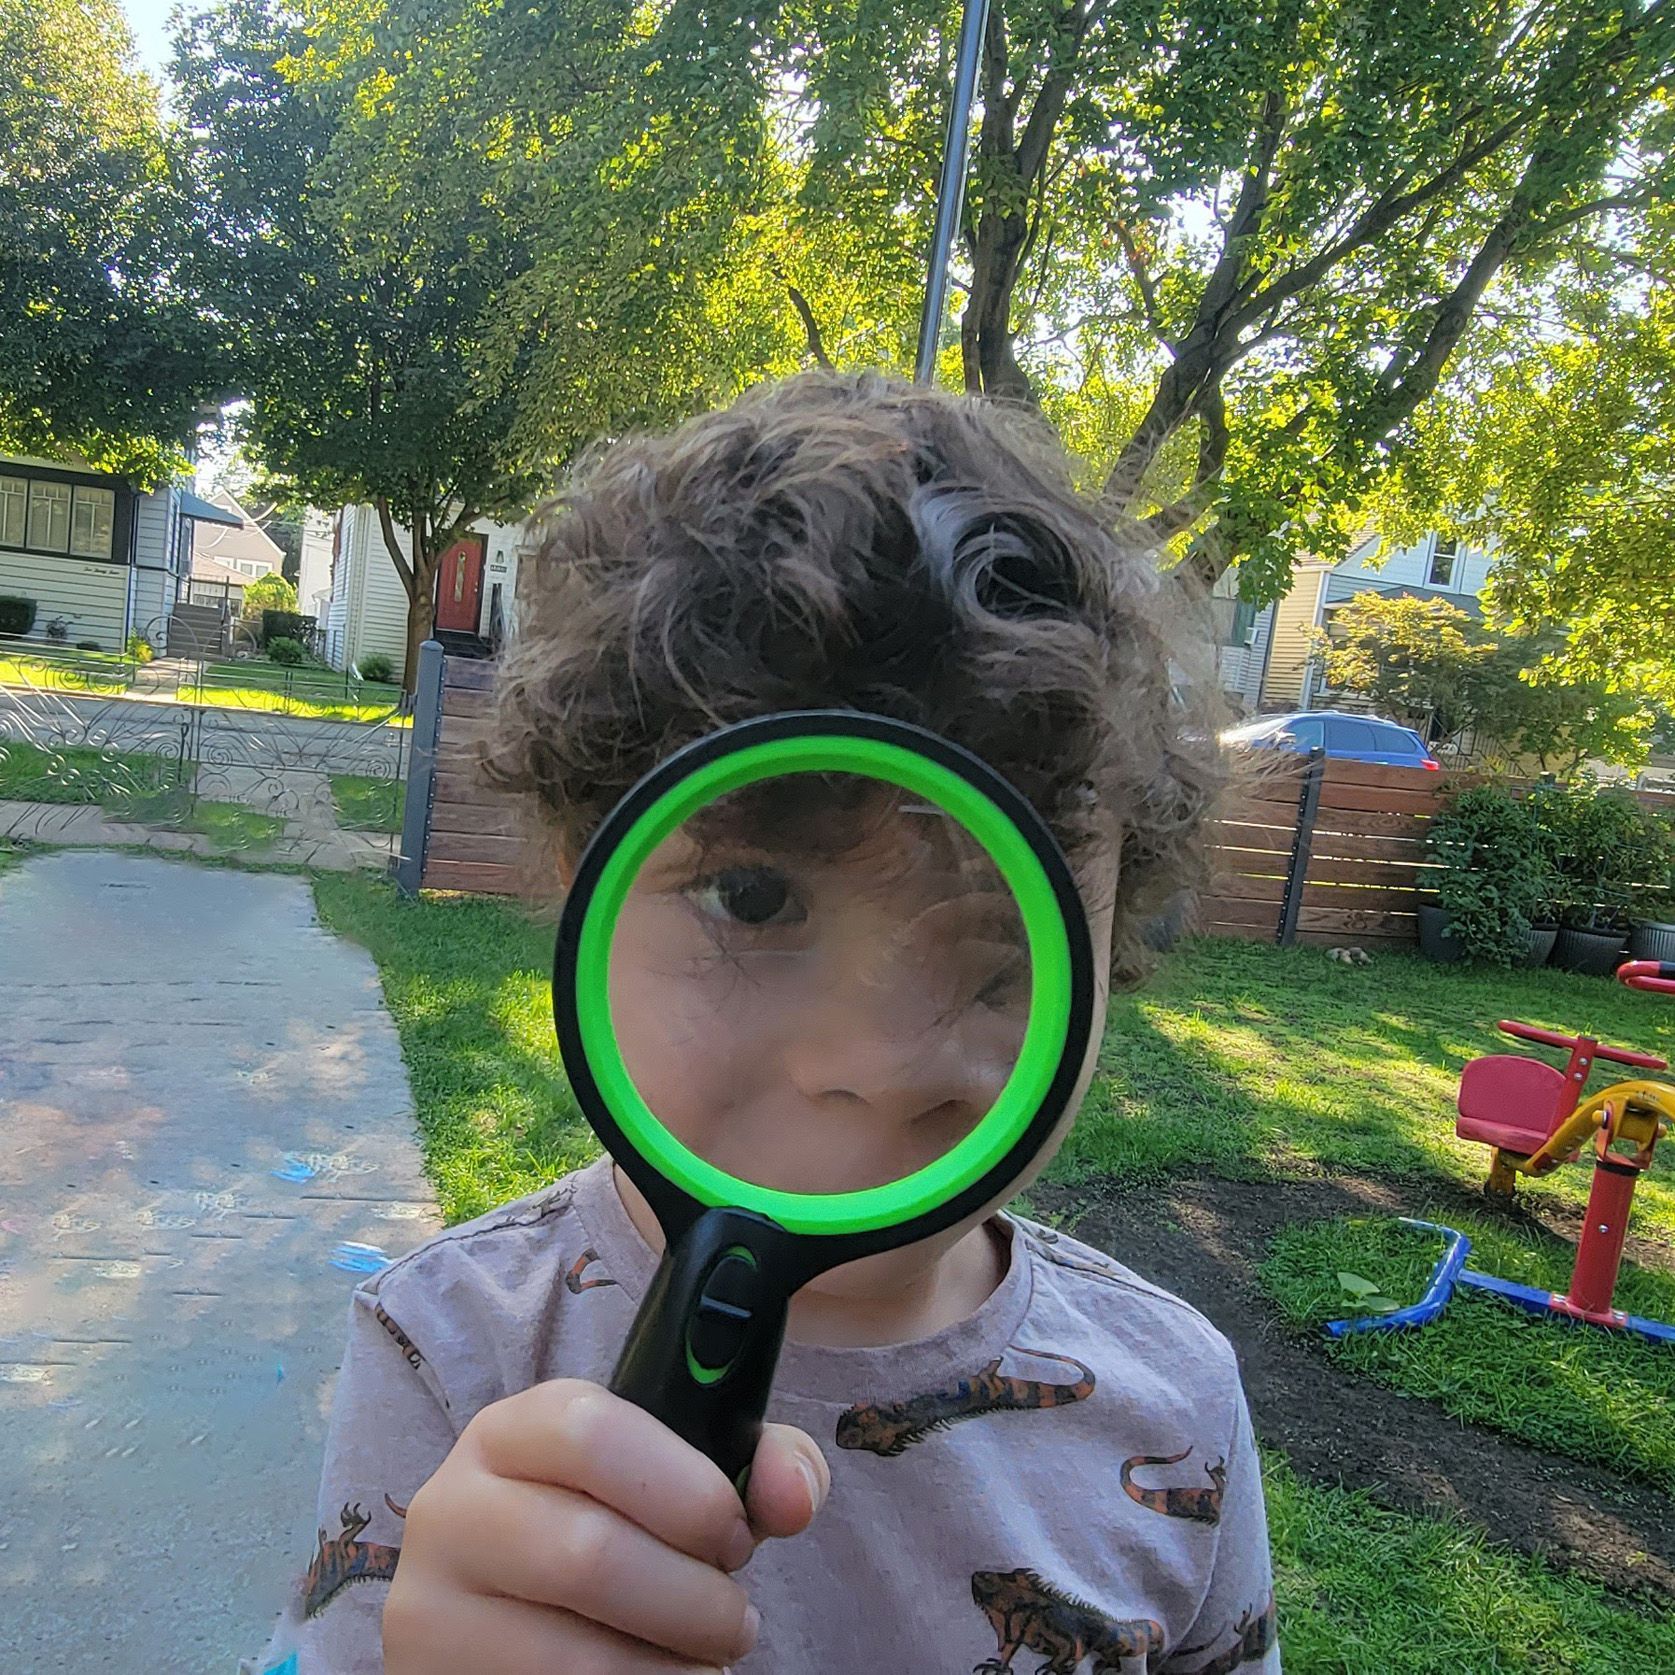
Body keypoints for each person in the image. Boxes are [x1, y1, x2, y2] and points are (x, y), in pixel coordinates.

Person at [251, 371, 1278, 1674]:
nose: (883, 1057)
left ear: (1121, 921)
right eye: (753, 894)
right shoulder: (447, 1352)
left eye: (1001, 923)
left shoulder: (1176, 1404)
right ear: (593, 898)